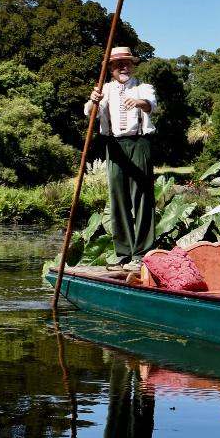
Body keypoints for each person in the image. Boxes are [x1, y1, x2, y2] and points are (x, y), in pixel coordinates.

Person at [85, 46, 156, 271]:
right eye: (118, 64)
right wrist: (93, 100)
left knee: (142, 197)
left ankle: (142, 253)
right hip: (114, 145)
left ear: (132, 66)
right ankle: (124, 253)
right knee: (118, 198)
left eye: (127, 63)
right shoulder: (103, 89)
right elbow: (90, 112)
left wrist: (139, 102)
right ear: (111, 69)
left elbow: (151, 105)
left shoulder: (143, 87)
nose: (123, 67)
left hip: (139, 143)